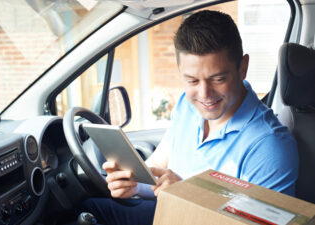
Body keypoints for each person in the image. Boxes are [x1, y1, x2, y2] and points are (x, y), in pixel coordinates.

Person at [81, 10, 299, 225]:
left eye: (218, 79)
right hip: (169, 214)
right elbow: (160, 166)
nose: (204, 94)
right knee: (87, 209)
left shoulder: (270, 146)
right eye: (192, 81)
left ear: (243, 68)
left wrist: (188, 195)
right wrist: (134, 184)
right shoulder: (188, 105)